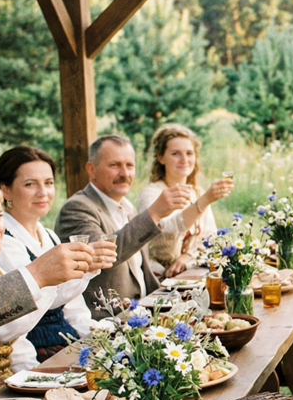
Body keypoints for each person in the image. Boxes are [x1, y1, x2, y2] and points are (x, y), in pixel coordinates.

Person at [0, 180, 115, 394]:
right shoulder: (8, 250)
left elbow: (17, 337)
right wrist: (41, 275)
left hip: (9, 383)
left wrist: (34, 375)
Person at [0, 147, 109, 363]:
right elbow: (29, 305)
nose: (43, 192)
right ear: (5, 190)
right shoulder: (1, 241)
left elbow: (73, 308)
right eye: (30, 184)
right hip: (35, 347)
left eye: (48, 183)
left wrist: (95, 337)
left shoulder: (50, 236)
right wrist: (85, 271)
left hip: (66, 340)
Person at [55, 135, 191, 319]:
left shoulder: (127, 207)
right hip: (106, 322)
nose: (125, 174)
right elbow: (105, 254)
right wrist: (154, 213)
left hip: (143, 311)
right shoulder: (77, 208)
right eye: (114, 165)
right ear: (91, 169)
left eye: (129, 166)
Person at [137, 124, 232, 278]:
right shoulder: (151, 194)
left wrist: (188, 256)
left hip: (192, 272)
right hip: (158, 277)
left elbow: (211, 239)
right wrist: (204, 201)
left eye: (189, 153)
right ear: (161, 158)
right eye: (175, 153)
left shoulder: (197, 192)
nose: (184, 159)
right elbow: (164, 238)